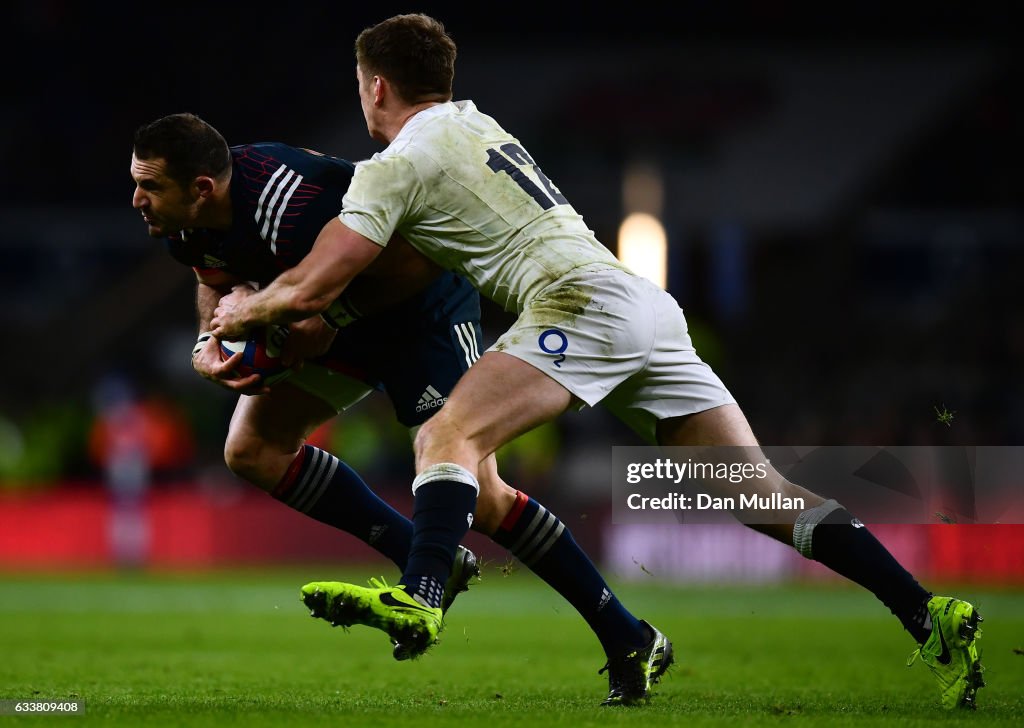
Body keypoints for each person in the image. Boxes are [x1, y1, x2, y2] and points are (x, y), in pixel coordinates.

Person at [208, 15, 984, 710]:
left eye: (361, 89)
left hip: (579, 306)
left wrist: (247, 310)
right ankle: (928, 614)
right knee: (762, 496)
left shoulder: (396, 163)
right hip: (641, 302)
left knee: (445, 440)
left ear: (375, 87)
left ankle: (421, 593)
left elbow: (322, 276)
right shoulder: (478, 125)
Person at [132, 113, 661, 678]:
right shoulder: (182, 222)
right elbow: (212, 281)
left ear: (203, 188)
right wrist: (208, 342)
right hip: (329, 317)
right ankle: (428, 558)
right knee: (252, 449)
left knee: (480, 495)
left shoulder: (293, 198)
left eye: (149, 186)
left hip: (420, 316)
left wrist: (332, 316)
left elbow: (417, 255)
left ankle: (627, 635)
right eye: (137, 183)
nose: (137, 199)